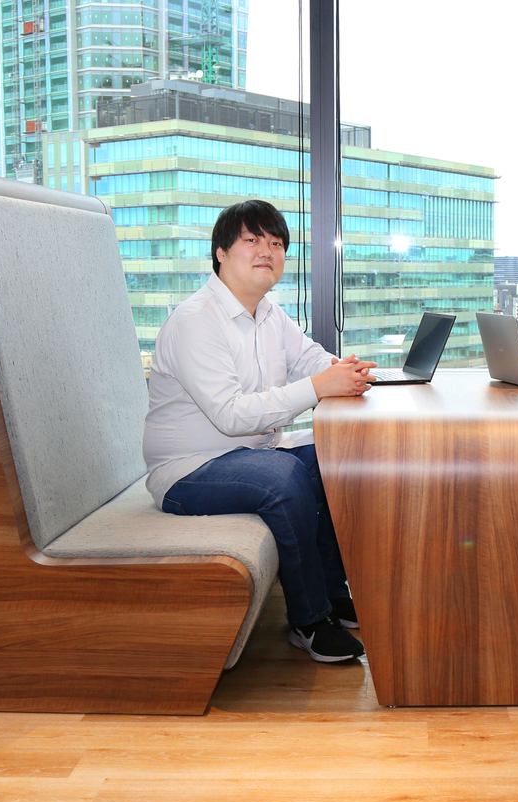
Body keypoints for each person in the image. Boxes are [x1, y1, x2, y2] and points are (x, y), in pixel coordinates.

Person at [143, 199, 376, 664]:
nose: (266, 250)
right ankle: (309, 620)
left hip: (253, 454)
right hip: (187, 471)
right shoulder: (195, 320)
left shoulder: (268, 312)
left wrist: (343, 370)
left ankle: (333, 594)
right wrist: (319, 387)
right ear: (220, 253)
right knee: (284, 477)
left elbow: (310, 358)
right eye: (252, 240)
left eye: (276, 243)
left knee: (338, 461)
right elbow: (230, 415)